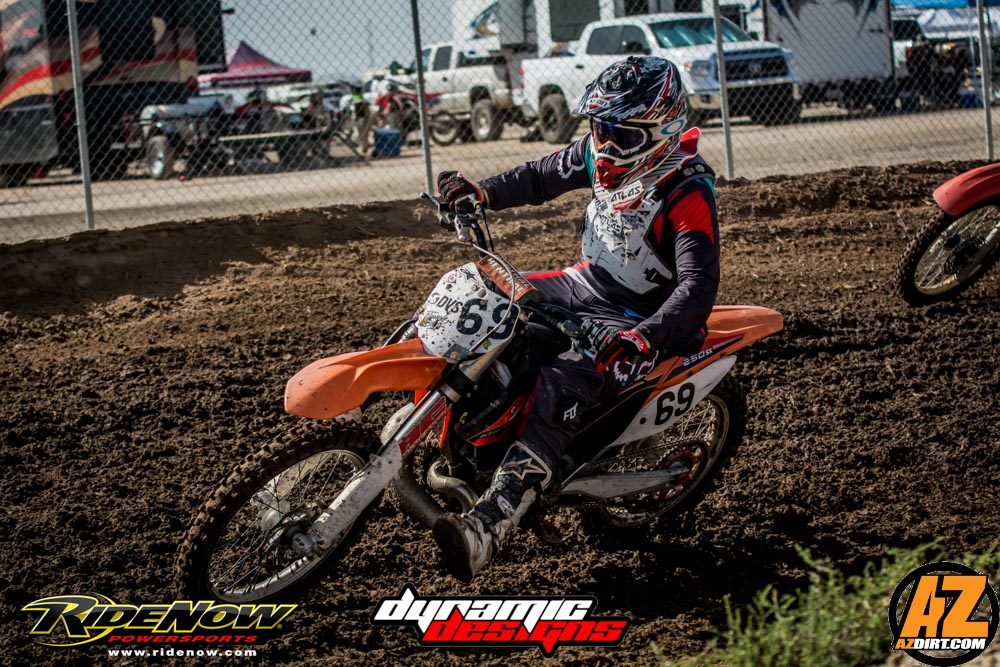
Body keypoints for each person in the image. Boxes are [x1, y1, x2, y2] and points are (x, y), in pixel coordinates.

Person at [431, 56, 721, 581]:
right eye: (599, 128)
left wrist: (644, 336)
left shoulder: (686, 190)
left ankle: (489, 525)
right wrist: (482, 193)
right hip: (584, 282)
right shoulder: (597, 151)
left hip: (640, 318)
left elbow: (698, 286)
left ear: (663, 132)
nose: (605, 146)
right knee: (482, 296)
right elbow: (541, 176)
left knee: (561, 381)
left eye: (622, 136)